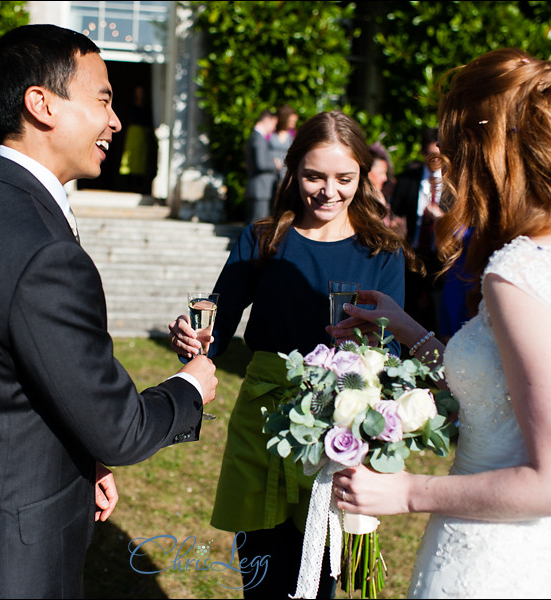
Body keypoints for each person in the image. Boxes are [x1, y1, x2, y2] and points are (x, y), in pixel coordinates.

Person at [0, 24, 218, 599]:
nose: (116, 121)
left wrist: (82, 459)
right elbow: (122, 428)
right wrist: (190, 386)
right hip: (12, 558)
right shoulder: (45, 248)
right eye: (102, 99)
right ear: (41, 104)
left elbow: (7, 376)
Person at [329, 48, 551, 598]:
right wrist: (411, 331)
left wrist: (406, 491)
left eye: (451, 151)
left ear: (484, 153)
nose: (444, 168)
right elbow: (517, 389)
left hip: (492, 565)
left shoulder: (520, 270)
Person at [169, 110, 412, 598]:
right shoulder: (263, 238)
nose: (329, 191)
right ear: (293, 170)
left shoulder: (382, 251)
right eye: (314, 176)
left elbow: (390, 351)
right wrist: (192, 339)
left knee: (316, 580)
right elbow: (215, 321)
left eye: (344, 178)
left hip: (338, 426)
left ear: (363, 175)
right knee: (260, 579)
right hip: (262, 424)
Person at [389, 126, 444, 335]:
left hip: (440, 262)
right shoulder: (407, 180)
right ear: (422, 154)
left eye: (439, 155)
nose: (435, 160)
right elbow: (395, 213)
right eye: (431, 155)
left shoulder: (455, 182)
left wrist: (441, 219)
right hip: (412, 257)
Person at [117, 84, 158, 196]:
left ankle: (139, 187)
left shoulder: (148, 107)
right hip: (133, 134)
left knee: (141, 162)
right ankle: (128, 186)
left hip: (143, 134)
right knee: (129, 161)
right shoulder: (131, 106)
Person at [245, 109, 278, 223]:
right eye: (274, 123)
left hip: (259, 189)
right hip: (260, 189)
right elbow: (261, 164)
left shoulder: (256, 137)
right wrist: (274, 164)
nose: (274, 128)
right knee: (256, 224)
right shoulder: (258, 139)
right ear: (267, 120)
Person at [368, 141, 406, 237]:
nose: (384, 178)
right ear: (368, 171)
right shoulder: (358, 203)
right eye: (381, 173)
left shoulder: (380, 198)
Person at [269, 103, 299, 191]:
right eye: (291, 121)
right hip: (271, 172)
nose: (293, 124)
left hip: (284, 173)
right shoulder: (271, 133)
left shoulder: (292, 135)